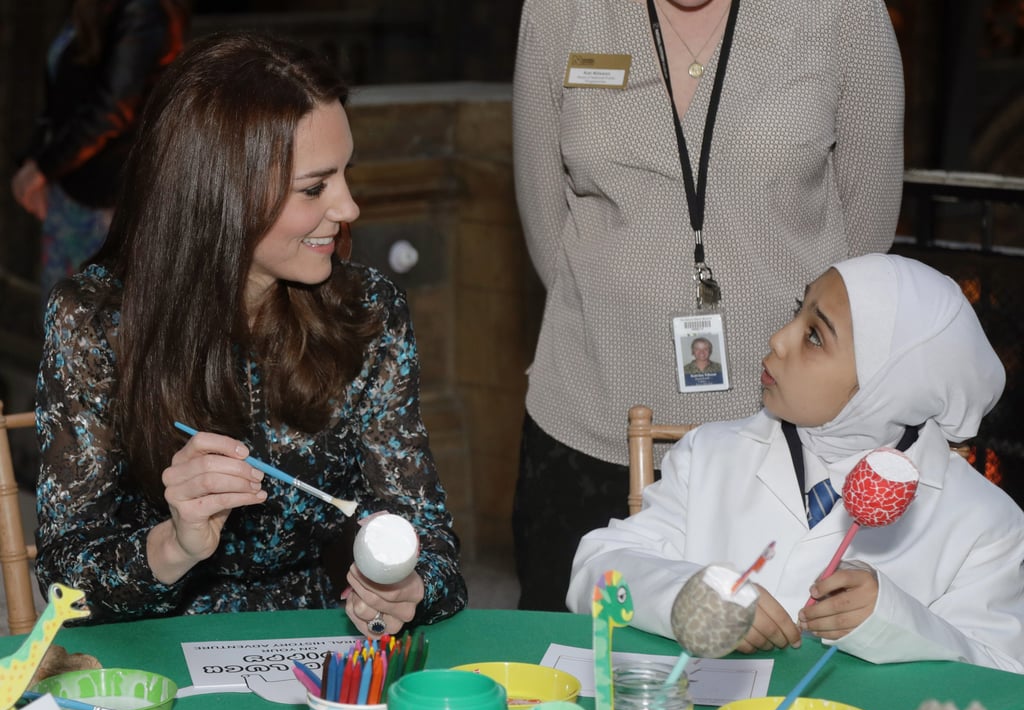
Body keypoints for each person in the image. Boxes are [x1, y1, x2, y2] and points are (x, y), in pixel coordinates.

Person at [33, 31, 468, 635]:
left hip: (321, 642)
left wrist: (408, 585)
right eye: (315, 187)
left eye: (346, 174)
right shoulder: (97, 322)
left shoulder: (367, 310)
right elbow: (64, 585)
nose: (348, 207)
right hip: (155, 649)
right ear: (222, 195)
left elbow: (429, 536)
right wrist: (174, 545)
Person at [512, 0, 905, 610]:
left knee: (770, 672)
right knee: (579, 673)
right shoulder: (561, 12)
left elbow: (865, 241)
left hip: (779, 437)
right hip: (589, 418)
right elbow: (544, 222)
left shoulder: (843, 14)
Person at [567, 254, 1024, 673]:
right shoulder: (711, 454)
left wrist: (896, 623)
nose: (779, 339)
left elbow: (1002, 678)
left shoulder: (985, 524)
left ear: (888, 388)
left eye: (814, 336)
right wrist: (682, 595)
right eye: (797, 311)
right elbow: (595, 573)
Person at [10, 0, 190, 309]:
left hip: (107, 198)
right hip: (70, 189)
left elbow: (112, 109)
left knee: (98, 322)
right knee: (62, 318)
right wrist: (35, 161)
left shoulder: (142, 12)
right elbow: (60, 104)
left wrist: (42, 168)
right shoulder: (90, 9)